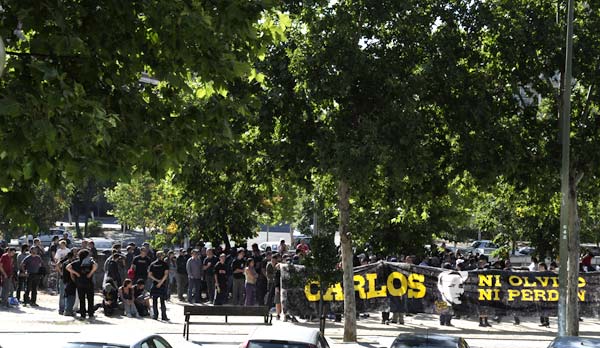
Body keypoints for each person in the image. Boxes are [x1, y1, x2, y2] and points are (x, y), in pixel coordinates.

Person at [67, 249, 98, 319]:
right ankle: (90, 314)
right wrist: (90, 273)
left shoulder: (77, 262)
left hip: (80, 282)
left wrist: (76, 273)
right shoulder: (90, 262)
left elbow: (68, 267)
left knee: (82, 299)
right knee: (90, 299)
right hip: (88, 282)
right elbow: (96, 266)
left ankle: (83, 314)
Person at [148, 251, 169, 320]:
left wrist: (157, 281)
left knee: (155, 301)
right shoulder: (165, 264)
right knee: (162, 301)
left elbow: (150, 275)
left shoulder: (153, 264)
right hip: (162, 284)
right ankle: (163, 316)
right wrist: (161, 282)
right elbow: (166, 274)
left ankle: (155, 315)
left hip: (155, 283)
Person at [58, 251, 76, 316]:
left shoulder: (64, 263)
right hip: (69, 281)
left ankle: (63, 309)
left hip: (64, 280)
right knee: (70, 296)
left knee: (65, 295)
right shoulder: (70, 263)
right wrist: (74, 280)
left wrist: (61, 273)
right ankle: (68, 310)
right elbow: (71, 273)